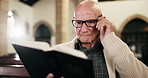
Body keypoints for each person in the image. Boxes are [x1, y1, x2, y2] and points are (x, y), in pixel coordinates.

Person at [47, 0, 148, 78]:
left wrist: (110, 38)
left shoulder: (114, 50)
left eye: (90, 22)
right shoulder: (58, 51)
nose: (83, 29)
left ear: (102, 21)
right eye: (78, 23)